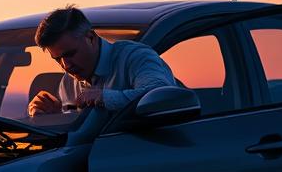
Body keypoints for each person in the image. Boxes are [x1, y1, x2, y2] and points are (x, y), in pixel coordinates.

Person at [27, 6, 176, 116]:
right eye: (57, 59)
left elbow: (164, 98)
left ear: (91, 38)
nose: (66, 65)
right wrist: (55, 117)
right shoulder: (68, 83)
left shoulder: (136, 58)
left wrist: (104, 97)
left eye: (71, 54)